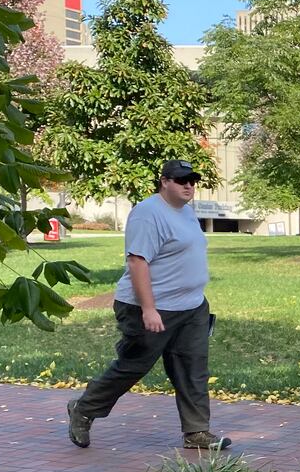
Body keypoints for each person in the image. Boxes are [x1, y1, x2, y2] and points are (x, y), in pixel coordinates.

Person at [66, 158, 230, 451]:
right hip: (151, 307)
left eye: (192, 180)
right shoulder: (148, 213)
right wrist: (149, 308)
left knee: (193, 367)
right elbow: (137, 261)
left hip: (191, 307)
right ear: (164, 181)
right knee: (134, 365)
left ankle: (197, 432)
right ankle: (84, 408)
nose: (189, 185)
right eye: (181, 180)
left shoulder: (186, 212)